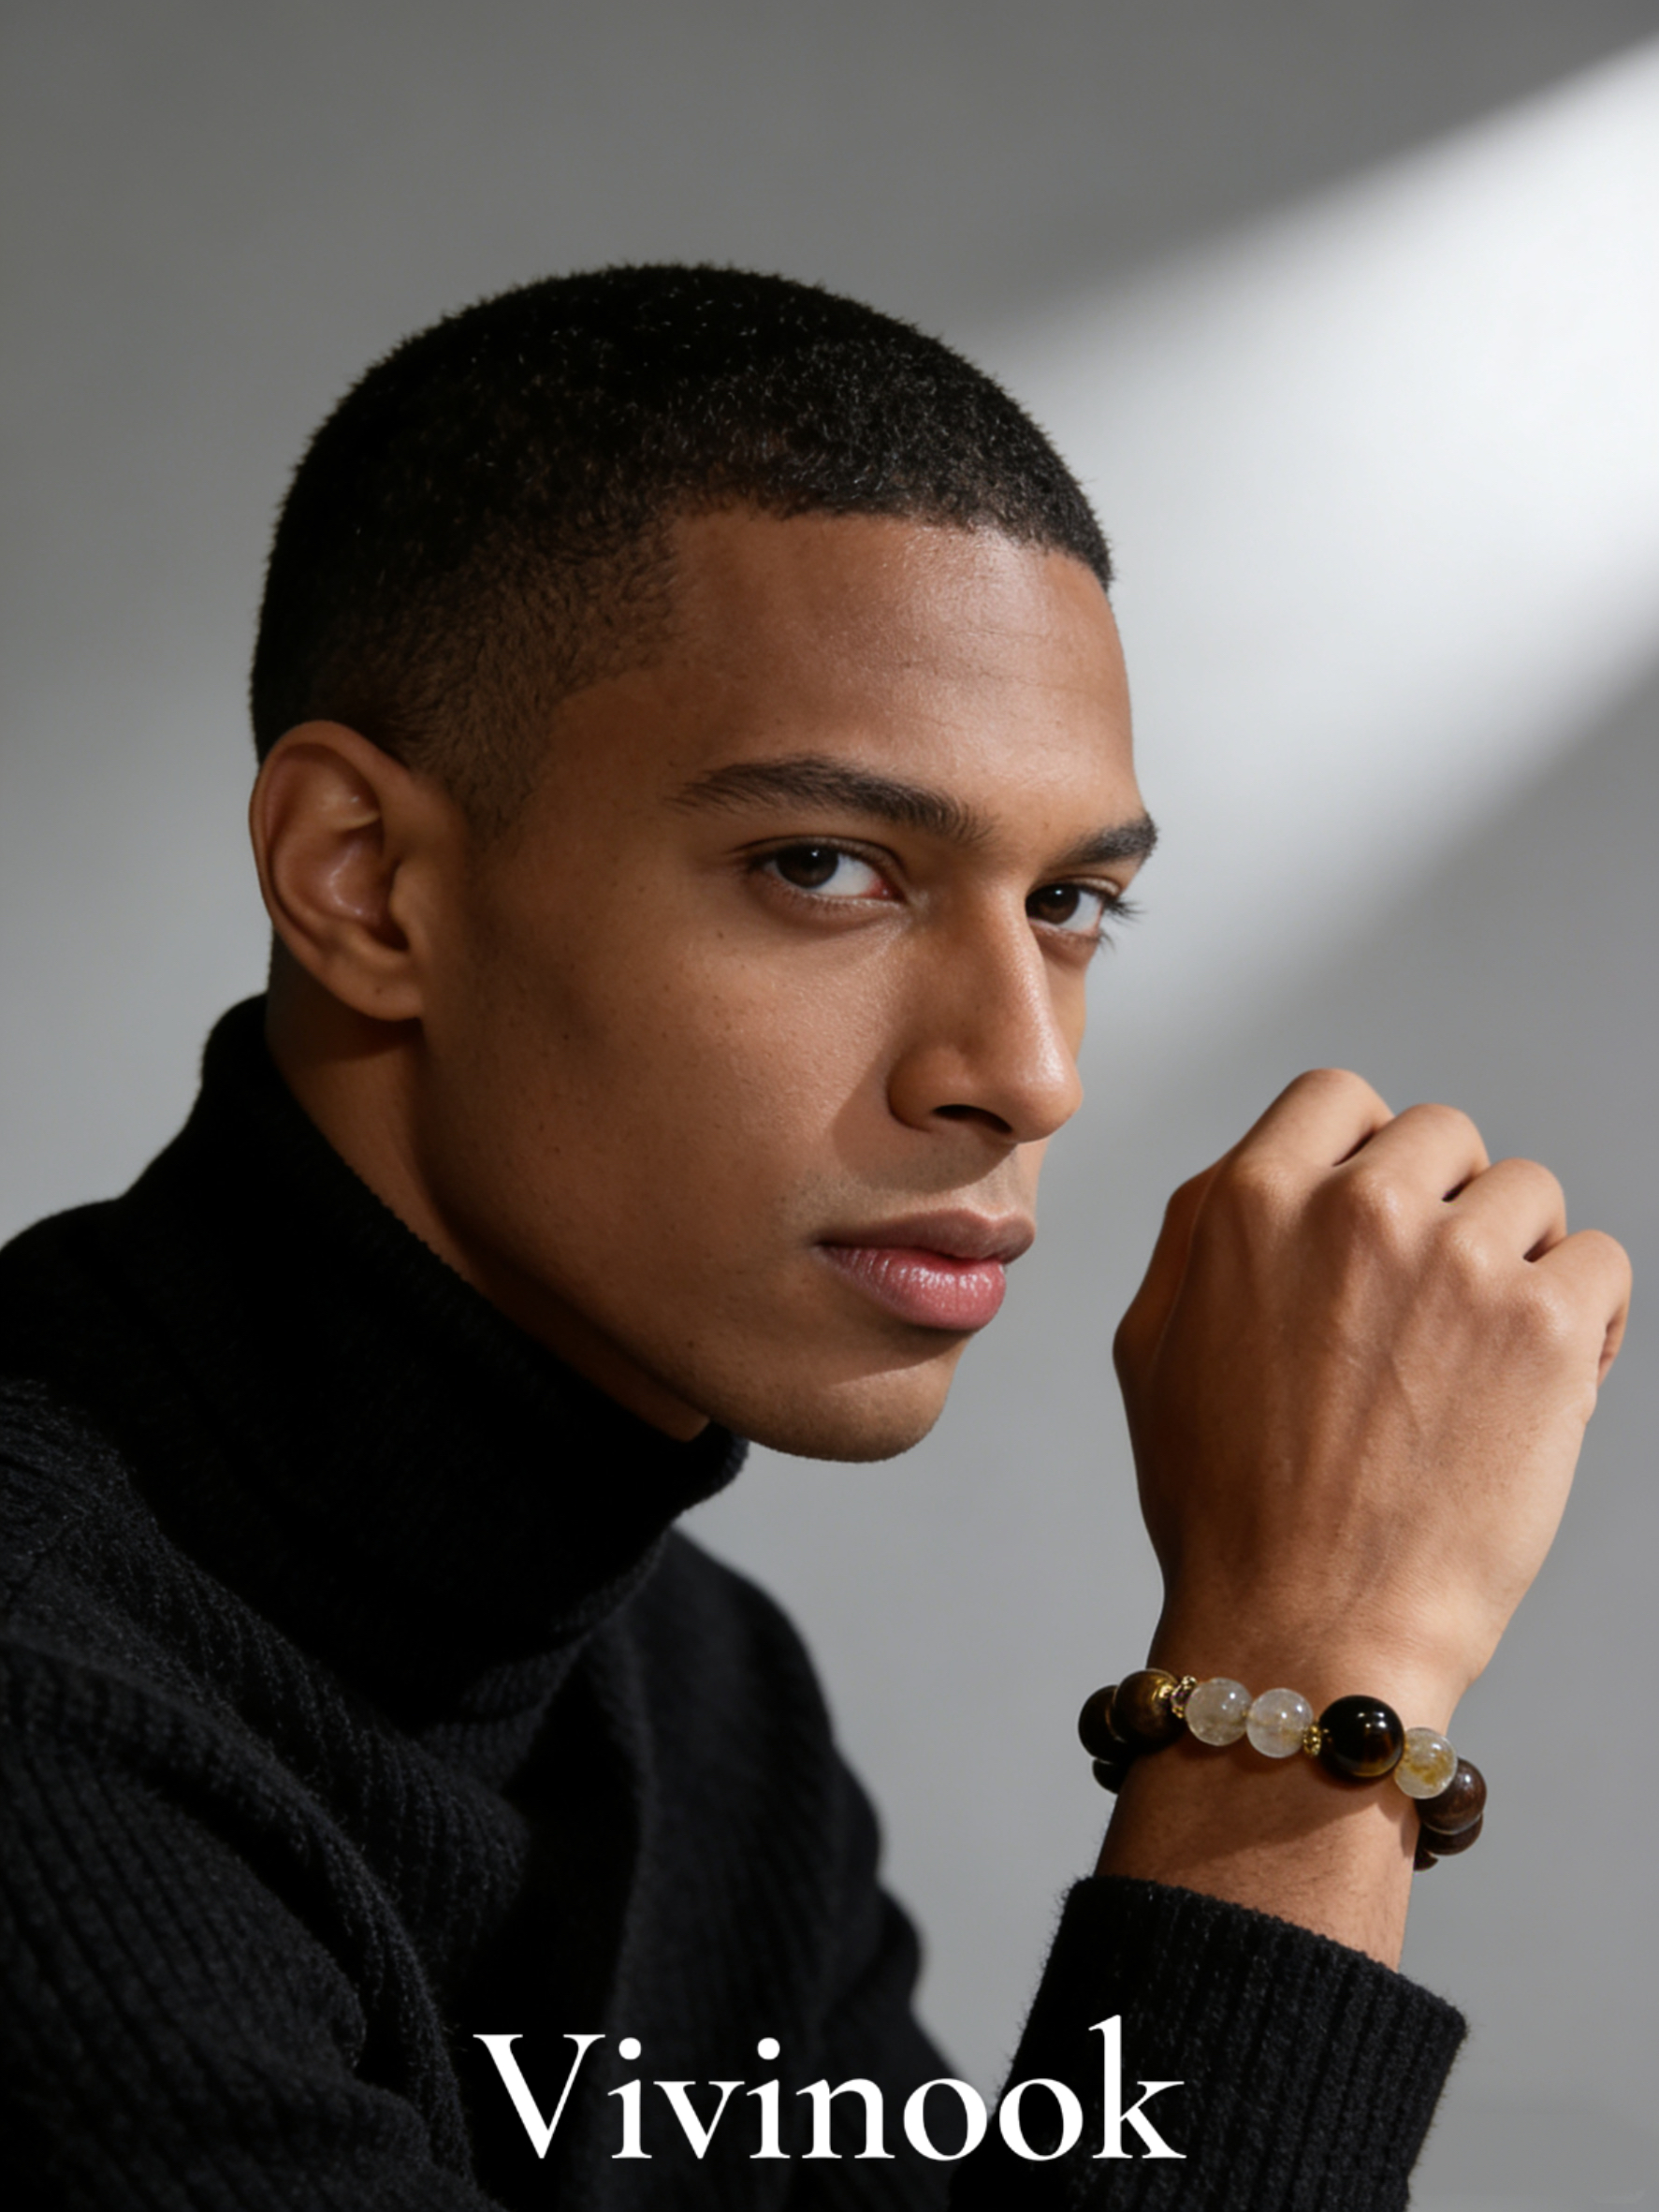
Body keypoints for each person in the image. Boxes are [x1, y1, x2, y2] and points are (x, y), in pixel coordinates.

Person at [0, 265, 1629, 2210]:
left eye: (1070, 904)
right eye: (826, 866)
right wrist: (1303, 1683)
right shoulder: (43, 1713)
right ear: (363, 881)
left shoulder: (701, 1701)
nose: (1025, 1074)